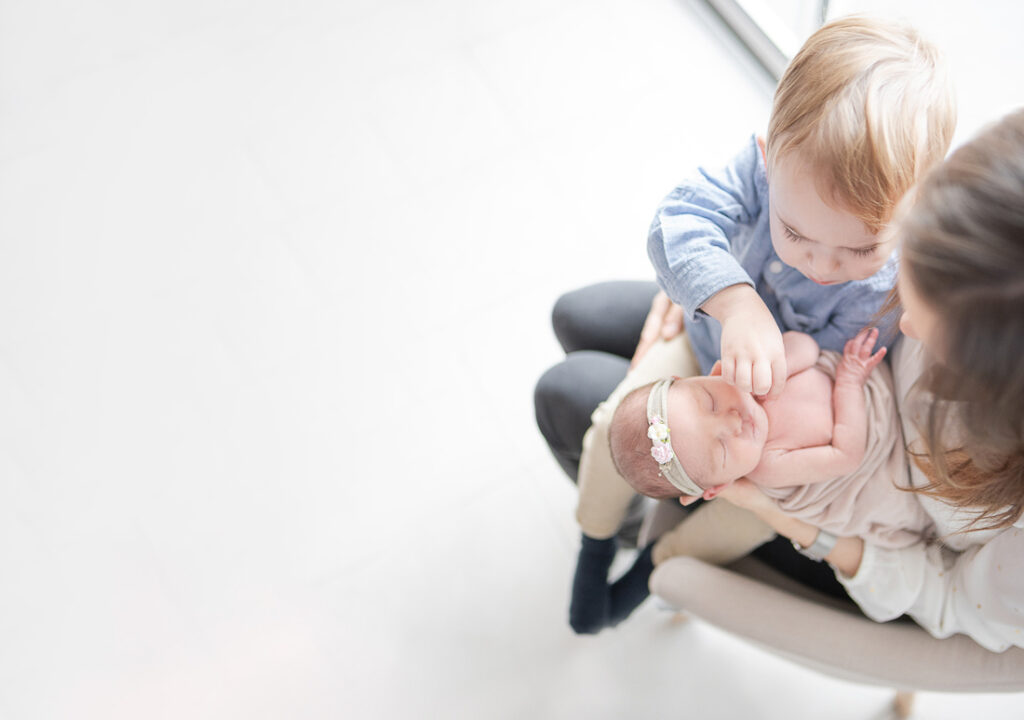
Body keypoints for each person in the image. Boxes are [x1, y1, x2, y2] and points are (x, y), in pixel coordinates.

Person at [535, 16, 956, 634]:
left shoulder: (906, 279)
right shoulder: (759, 173)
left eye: (860, 250)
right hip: (707, 359)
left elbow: (845, 384)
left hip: (781, 449)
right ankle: (595, 543)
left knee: (730, 526)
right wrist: (732, 303)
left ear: (919, 210)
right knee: (610, 430)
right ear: (767, 158)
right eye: (794, 232)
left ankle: (653, 568)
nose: (821, 267)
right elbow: (677, 220)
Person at [717, 108, 1024, 651]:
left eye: (938, 340)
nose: (905, 328)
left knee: (576, 394)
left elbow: (950, 597)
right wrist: (720, 292)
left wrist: (782, 517)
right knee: (588, 320)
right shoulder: (984, 236)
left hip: (867, 545)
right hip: (825, 384)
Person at [593, 329, 930, 626]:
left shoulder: (756, 378)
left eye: (711, 402)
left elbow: (809, 346)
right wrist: (850, 381)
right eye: (722, 448)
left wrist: (774, 363)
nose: (732, 421)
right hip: (885, 462)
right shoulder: (768, 466)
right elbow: (846, 455)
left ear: (714, 372)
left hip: (891, 398)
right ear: (720, 486)